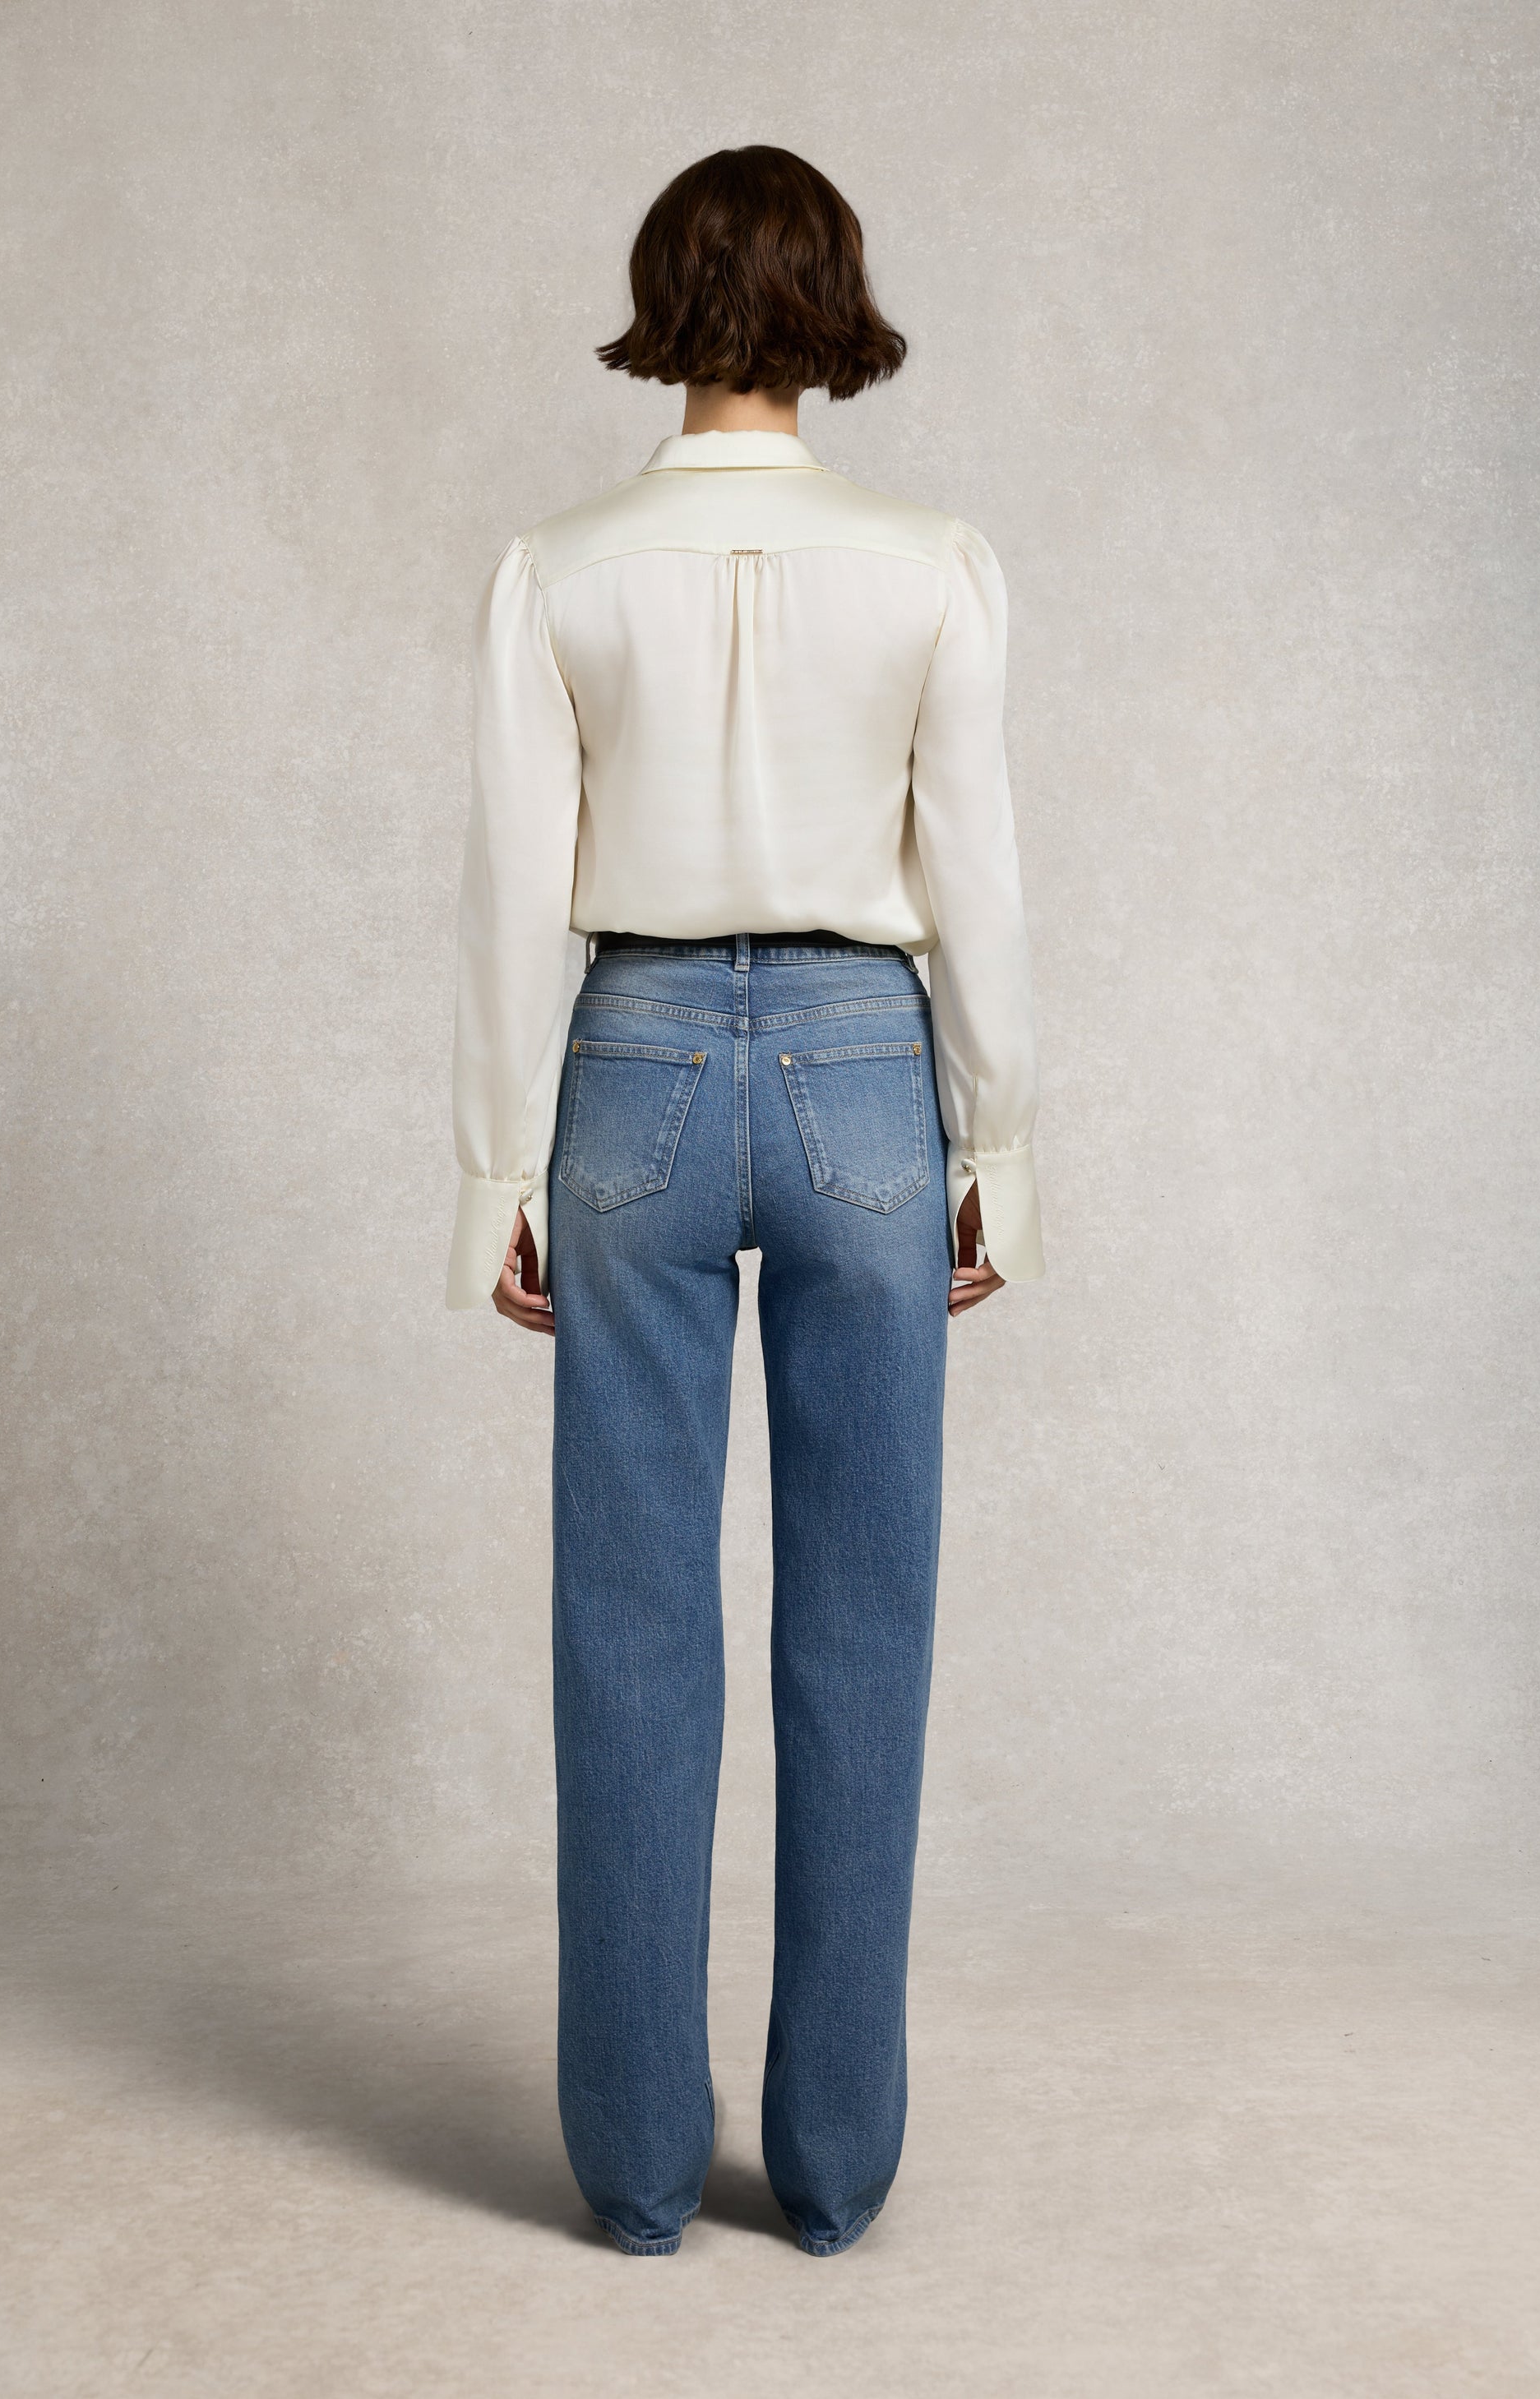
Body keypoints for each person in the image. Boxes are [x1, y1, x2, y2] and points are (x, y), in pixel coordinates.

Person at [446, 145, 1045, 2258]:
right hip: (865, 1070)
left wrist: (496, 1170)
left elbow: (512, 896)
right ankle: (833, 2167)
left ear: (659, 299)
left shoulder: (554, 570)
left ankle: (630, 2173)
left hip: (630, 1068)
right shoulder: (932, 566)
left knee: (629, 1633)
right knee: (861, 1627)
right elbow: (976, 878)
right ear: (833, 306)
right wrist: (996, 1145)